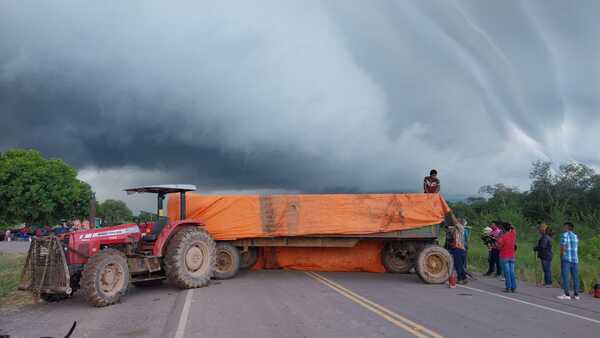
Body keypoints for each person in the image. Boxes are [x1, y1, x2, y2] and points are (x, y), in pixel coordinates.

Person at [558, 222, 580, 300]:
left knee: (566, 276)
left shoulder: (564, 235)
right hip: (575, 259)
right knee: (575, 277)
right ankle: (576, 294)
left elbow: (562, 247)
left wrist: (561, 256)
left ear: (567, 227)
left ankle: (566, 294)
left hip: (566, 259)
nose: (563, 228)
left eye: (564, 227)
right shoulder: (576, 236)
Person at [497, 222, 517, 292]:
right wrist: (511, 225)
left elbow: (499, 246)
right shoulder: (513, 234)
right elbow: (514, 229)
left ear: (503, 229)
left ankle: (508, 287)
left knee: (507, 273)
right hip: (512, 256)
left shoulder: (503, 237)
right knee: (512, 272)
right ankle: (513, 287)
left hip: (504, 256)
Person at [447, 215, 467, 284]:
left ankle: (460, 279)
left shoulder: (461, 228)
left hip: (459, 249)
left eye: (458, 220)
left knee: (458, 265)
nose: (456, 222)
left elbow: (455, 222)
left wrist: (451, 214)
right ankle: (464, 278)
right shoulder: (456, 229)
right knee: (459, 265)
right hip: (458, 248)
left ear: (460, 223)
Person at [533, 223, 553, 287]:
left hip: (545, 255)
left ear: (543, 230)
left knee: (547, 269)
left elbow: (542, 246)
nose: (539, 231)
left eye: (540, 230)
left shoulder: (545, 237)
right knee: (546, 269)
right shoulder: (546, 236)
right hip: (547, 255)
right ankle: (547, 282)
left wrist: (536, 248)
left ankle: (548, 283)